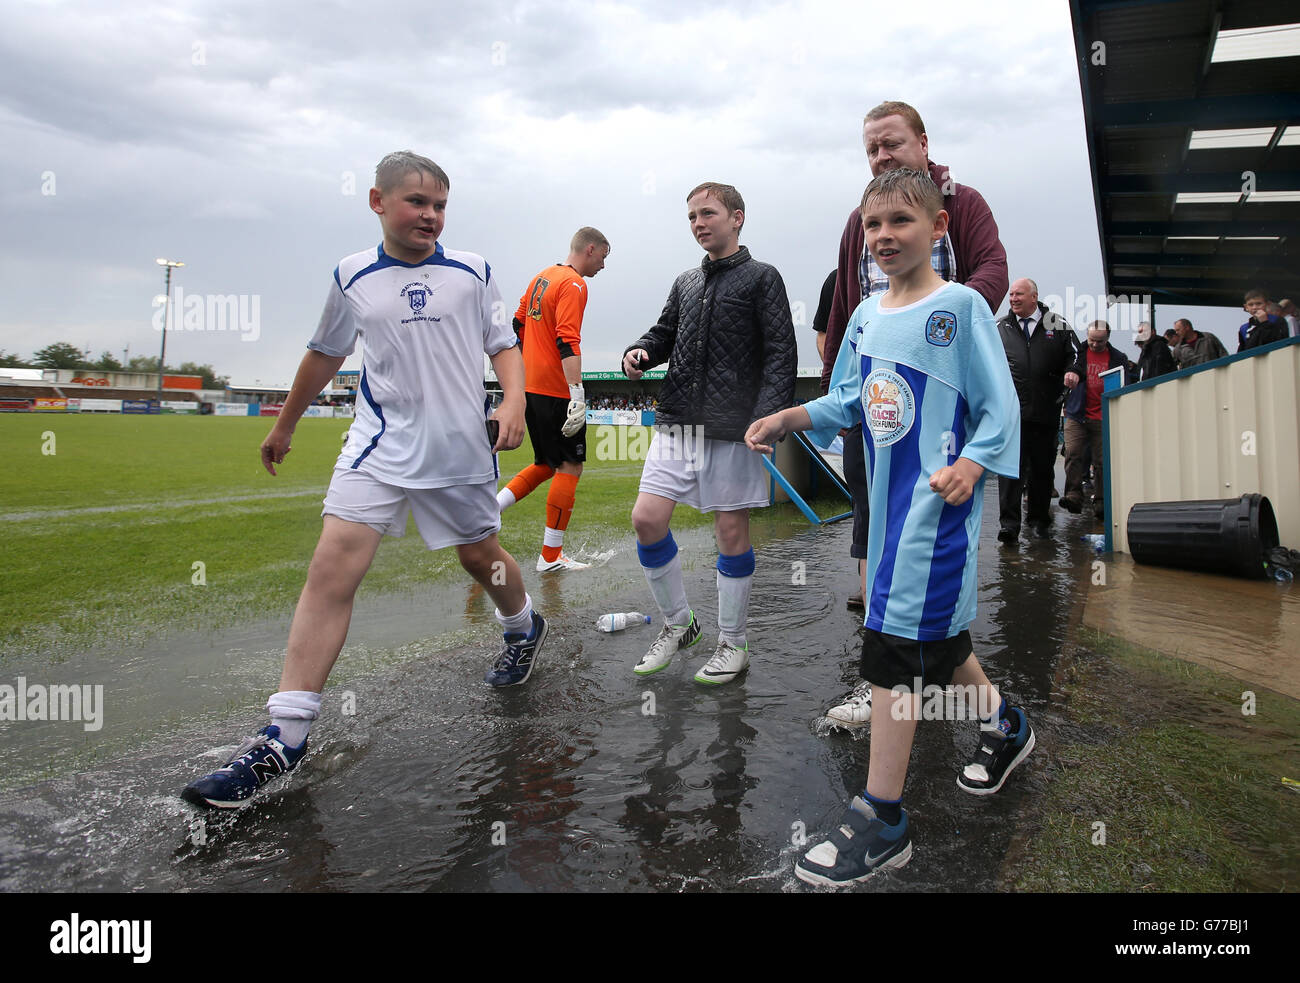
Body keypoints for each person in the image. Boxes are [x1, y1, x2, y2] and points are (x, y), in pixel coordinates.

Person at [182, 152, 547, 809]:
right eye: (416, 202)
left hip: (458, 447)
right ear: (378, 202)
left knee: (479, 558)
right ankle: (283, 738)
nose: (430, 215)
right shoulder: (352, 275)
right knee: (331, 569)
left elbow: (503, 342)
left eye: (439, 205)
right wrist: (284, 424)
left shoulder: (473, 271)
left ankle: (522, 627)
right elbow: (326, 352)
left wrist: (514, 399)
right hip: (376, 445)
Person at [746, 168, 1031, 884]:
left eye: (901, 221)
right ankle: (1005, 723)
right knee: (934, 642)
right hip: (886, 513)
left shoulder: (962, 309)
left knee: (895, 644)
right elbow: (847, 395)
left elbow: (1002, 411)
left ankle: (883, 815)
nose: (883, 237)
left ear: (938, 228)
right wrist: (790, 415)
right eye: (872, 225)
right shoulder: (868, 315)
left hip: (937, 514)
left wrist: (971, 464)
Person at [820, 100, 1007, 729]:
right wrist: (836, 392)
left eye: (892, 144)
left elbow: (993, 272)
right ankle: (891, 671)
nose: (881, 156)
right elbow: (850, 295)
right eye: (871, 148)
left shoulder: (966, 204)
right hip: (875, 394)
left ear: (922, 142)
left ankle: (894, 672)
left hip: (940, 393)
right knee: (875, 531)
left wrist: (935, 325)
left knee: (922, 541)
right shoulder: (860, 220)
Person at [622, 181, 796, 685]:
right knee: (647, 519)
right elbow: (663, 334)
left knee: (730, 532)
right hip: (678, 420)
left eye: (709, 214)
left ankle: (733, 642)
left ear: (737, 217)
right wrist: (641, 351)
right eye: (693, 217)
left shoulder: (763, 278)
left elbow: (782, 353)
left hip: (733, 429)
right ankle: (679, 624)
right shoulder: (685, 282)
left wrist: (768, 416)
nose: (700, 223)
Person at [497, 228, 611, 572]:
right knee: (570, 466)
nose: (604, 266)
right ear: (589, 249)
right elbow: (567, 340)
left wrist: (523, 370)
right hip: (556, 389)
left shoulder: (540, 278)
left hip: (532, 388)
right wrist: (576, 393)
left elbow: (516, 326)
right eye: (604, 257)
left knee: (546, 464)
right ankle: (550, 557)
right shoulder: (574, 283)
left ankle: (487, 511)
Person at [995, 277, 1079, 538]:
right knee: (1010, 471)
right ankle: (1009, 525)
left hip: (1045, 411)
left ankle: (1039, 521)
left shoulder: (1057, 323)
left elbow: (1075, 353)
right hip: (1012, 414)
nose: (1013, 299)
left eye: (1019, 294)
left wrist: (1074, 371)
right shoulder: (1001, 326)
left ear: (1034, 297)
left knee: (1042, 470)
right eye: (1011, 295)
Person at [1062, 321, 1134, 519]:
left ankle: (1101, 499)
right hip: (1077, 413)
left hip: (1103, 414)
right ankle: (1073, 494)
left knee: (1102, 461)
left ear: (1108, 339)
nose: (1095, 344)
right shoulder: (1078, 354)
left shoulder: (1118, 358)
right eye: (1092, 340)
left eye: (1100, 341)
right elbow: (1068, 369)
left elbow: (1124, 384)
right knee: (1073, 453)